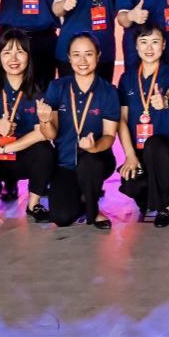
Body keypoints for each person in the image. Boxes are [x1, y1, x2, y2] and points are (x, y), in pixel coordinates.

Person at [0, 27, 56, 219]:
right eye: (7, 52)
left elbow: (42, 133)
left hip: (22, 155)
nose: (13, 59)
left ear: (29, 56)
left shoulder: (40, 89)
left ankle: (34, 204)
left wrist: (6, 148)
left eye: (20, 52)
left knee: (46, 152)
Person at [43, 33, 121, 228]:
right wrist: (44, 120)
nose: (82, 61)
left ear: (98, 56)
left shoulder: (108, 91)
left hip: (97, 160)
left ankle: (93, 210)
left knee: (90, 163)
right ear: (69, 58)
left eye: (88, 54)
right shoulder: (57, 87)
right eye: (76, 55)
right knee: (61, 217)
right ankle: (81, 196)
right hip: (65, 163)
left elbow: (109, 135)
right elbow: (51, 134)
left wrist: (94, 147)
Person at [116, 22, 169, 227]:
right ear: (136, 46)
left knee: (155, 144)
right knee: (132, 185)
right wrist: (130, 155)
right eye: (143, 42)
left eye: (155, 42)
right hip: (140, 154)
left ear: (163, 45)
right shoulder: (127, 78)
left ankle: (165, 206)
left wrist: (165, 101)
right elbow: (122, 120)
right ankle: (153, 192)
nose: (149, 48)